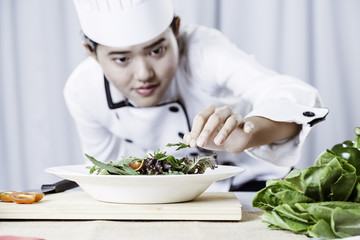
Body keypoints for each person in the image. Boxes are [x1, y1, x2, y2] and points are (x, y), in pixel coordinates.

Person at [65, 0, 328, 191]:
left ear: (176, 29)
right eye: (121, 59)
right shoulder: (82, 91)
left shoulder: (203, 50)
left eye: (157, 51)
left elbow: (295, 95)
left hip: (260, 184)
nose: (144, 74)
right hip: (171, 196)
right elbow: (108, 175)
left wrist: (247, 135)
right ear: (90, 51)